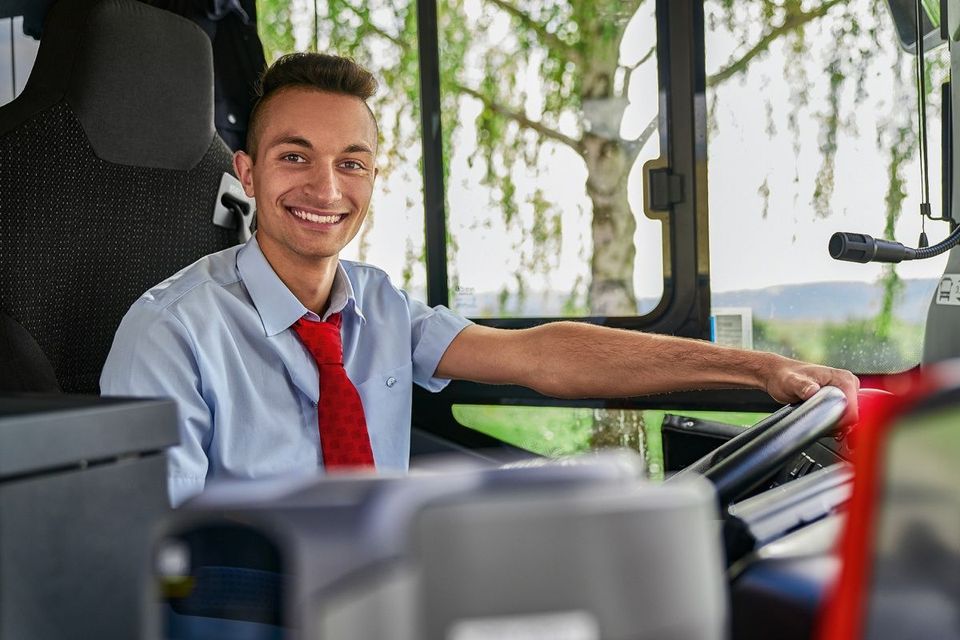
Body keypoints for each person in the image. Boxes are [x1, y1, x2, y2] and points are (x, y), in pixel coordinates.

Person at [100, 52, 859, 507]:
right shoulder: (172, 335)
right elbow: (154, 558)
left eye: (351, 163)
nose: (326, 189)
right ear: (248, 175)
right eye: (295, 157)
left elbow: (546, 355)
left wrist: (762, 369)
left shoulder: (378, 307)